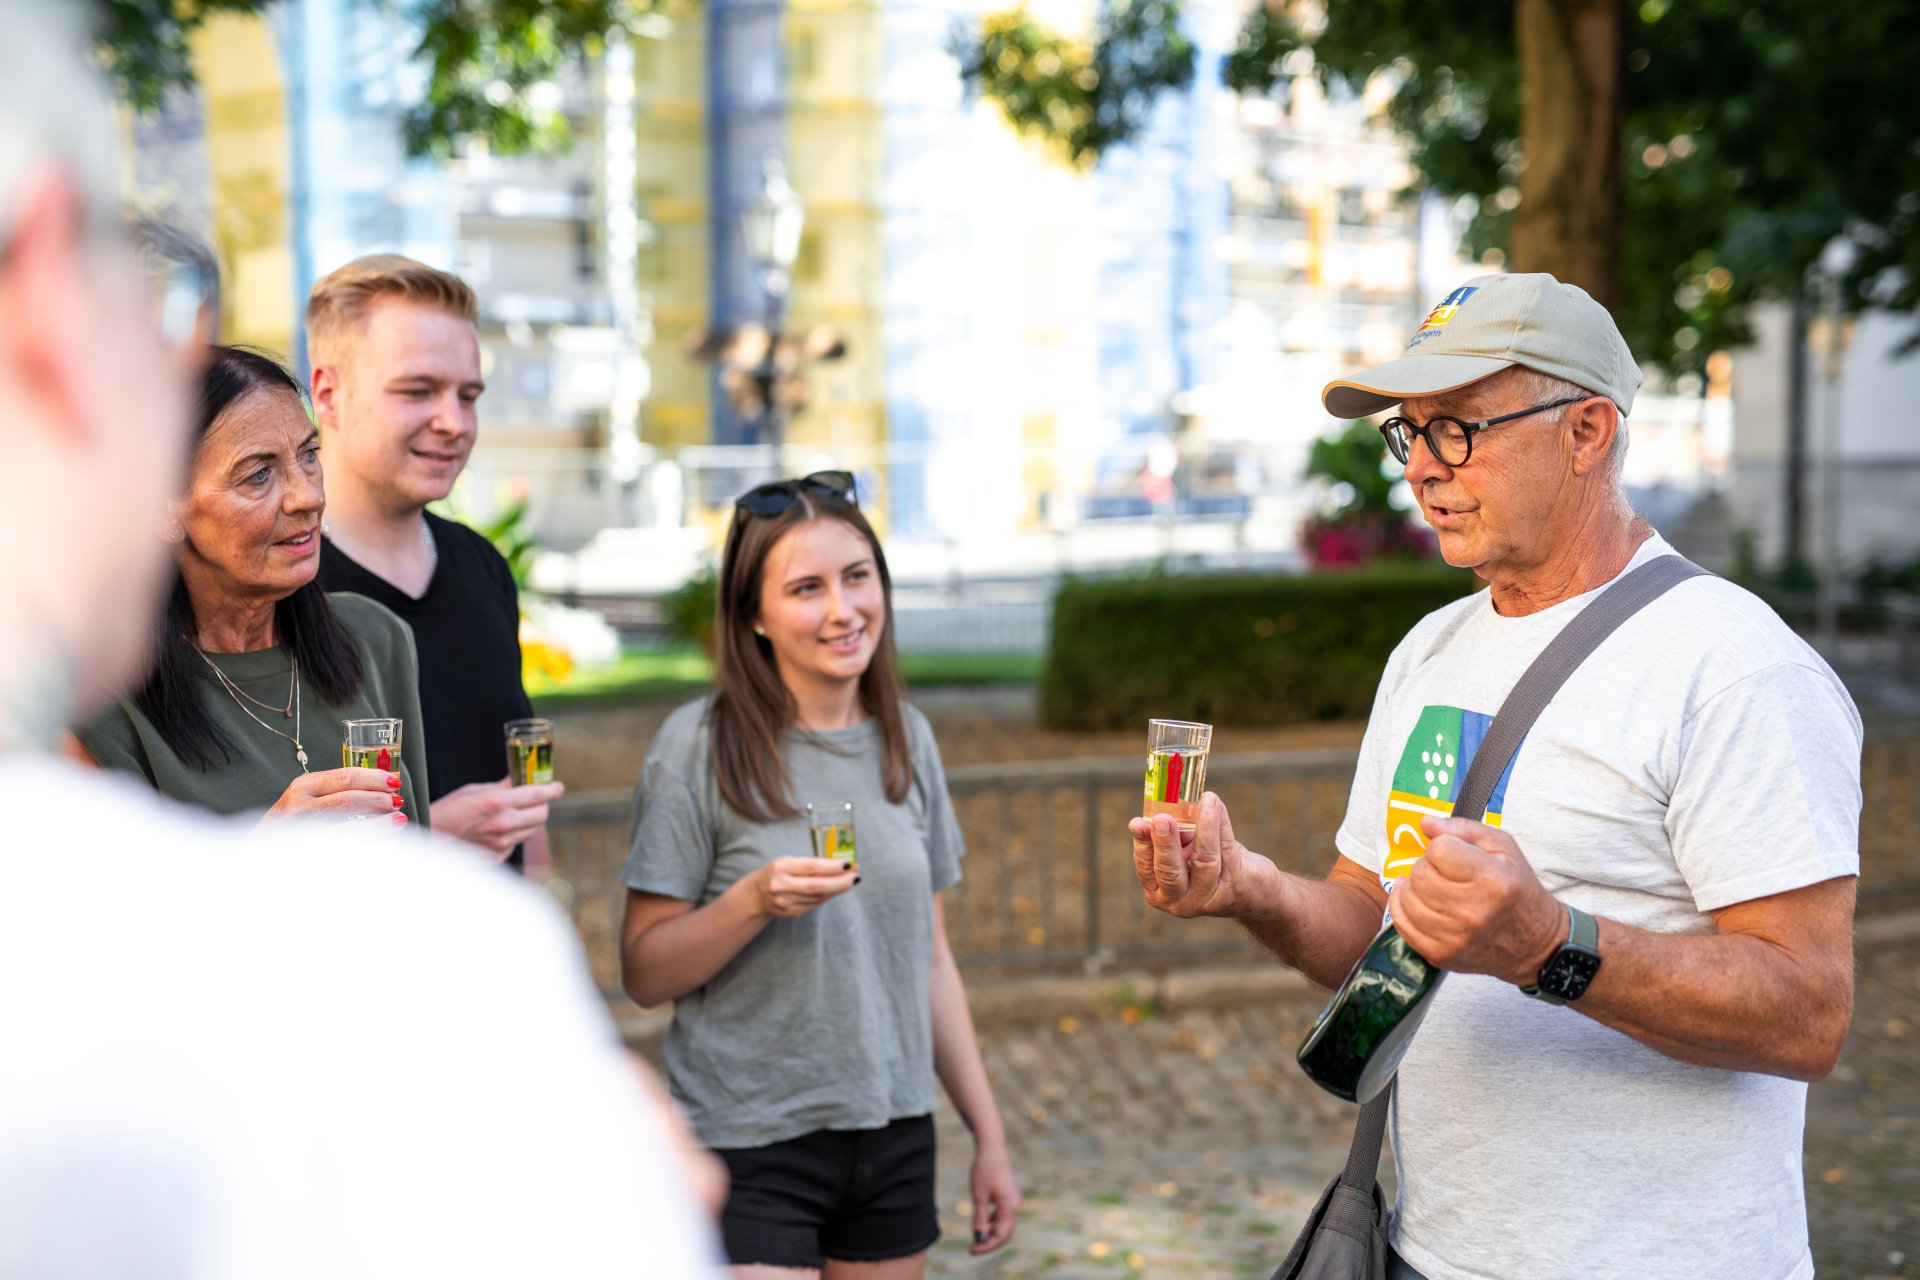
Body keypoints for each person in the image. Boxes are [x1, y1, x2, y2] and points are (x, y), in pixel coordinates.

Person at [0, 4, 724, 1273]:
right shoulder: (97, 736)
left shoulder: (400, 622)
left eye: (303, 463)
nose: (302, 499)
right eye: (254, 472)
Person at [1131, 274, 1861, 1280]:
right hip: (1429, 1250)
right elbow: (1374, 925)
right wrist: (1248, 887)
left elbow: (1808, 1011)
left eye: (1458, 429)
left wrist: (1552, 945)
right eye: (1410, 432)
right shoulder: (1429, 650)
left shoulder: (1736, 665)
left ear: (1587, 431)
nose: (1420, 467)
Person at [621, 471, 1021, 1277]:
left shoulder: (908, 737)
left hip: (893, 1133)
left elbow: (932, 960)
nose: (843, 610)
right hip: (747, 1141)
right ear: (754, 615)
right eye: (807, 588)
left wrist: (989, 1136)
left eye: (857, 577)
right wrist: (753, 900)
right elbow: (645, 973)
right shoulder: (697, 747)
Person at [75, 344, 430, 826]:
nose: (308, 496)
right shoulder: (103, 701)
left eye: (309, 454)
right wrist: (262, 850)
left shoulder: (375, 638)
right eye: (259, 475)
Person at [309, 255, 561, 867]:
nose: (454, 423)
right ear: (328, 394)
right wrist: (433, 833)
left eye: (468, 395)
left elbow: (519, 793)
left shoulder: (482, 565)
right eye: (418, 391)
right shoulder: (276, 585)